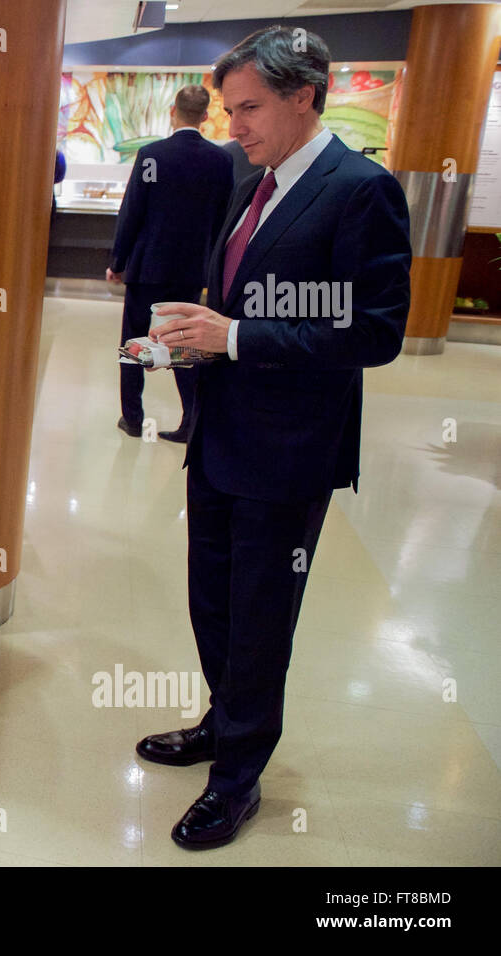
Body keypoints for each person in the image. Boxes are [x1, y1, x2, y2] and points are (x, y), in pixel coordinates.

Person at [139, 26, 412, 849]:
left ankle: (238, 779)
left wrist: (238, 338)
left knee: (260, 617)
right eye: (228, 110)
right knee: (212, 597)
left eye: (249, 108)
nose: (235, 126)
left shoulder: (361, 190)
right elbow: (239, 293)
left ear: (305, 96)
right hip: (221, 432)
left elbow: (375, 332)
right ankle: (223, 725)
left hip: (289, 452)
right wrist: (183, 339)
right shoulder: (245, 178)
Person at [107, 85, 233, 442]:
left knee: (133, 340)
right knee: (184, 344)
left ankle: (132, 418)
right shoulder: (221, 161)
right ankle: (191, 420)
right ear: (206, 116)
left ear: (172, 110)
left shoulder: (152, 156)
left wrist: (118, 260)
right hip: (192, 270)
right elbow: (223, 220)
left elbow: (132, 212)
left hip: (147, 267)